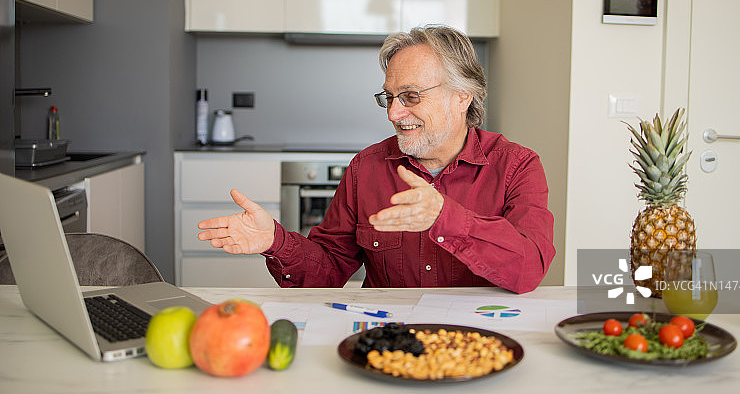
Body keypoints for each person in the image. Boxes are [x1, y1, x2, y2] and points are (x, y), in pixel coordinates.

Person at [197, 25, 555, 294]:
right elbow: (328, 271)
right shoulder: (366, 168)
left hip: (479, 340)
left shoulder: (517, 166)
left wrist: (445, 218)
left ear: (462, 97)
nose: (394, 113)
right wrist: (275, 242)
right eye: (389, 97)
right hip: (389, 341)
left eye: (411, 96)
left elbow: (529, 270)